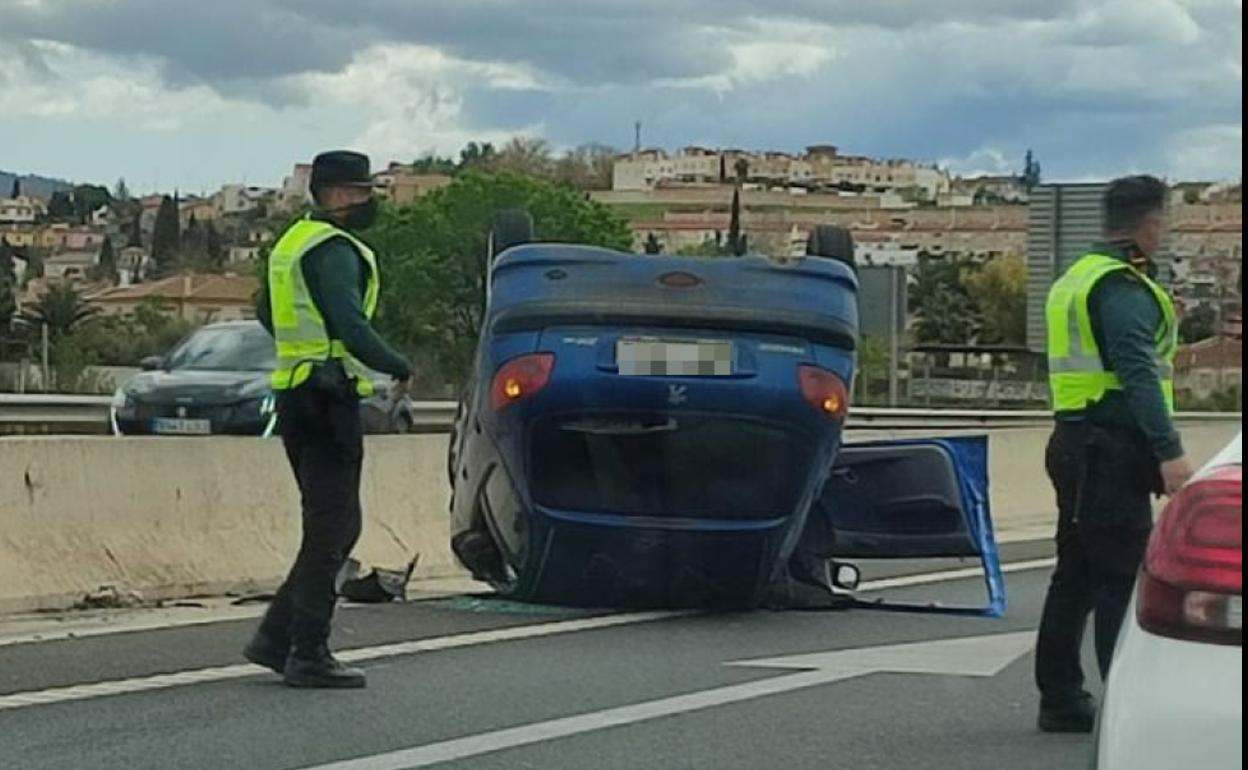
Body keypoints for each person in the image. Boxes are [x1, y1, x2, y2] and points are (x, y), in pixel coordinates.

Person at [245, 150, 412, 689]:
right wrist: (398, 364)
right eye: (362, 193)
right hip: (327, 395)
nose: (368, 203)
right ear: (340, 194)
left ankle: (276, 638)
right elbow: (349, 321)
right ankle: (308, 651)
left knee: (331, 525)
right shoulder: (335, 249)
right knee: (334, 528)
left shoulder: (292, 242)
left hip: (296, 393)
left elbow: (266, 311)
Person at [1035, 175, 1194, 732]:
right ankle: (1124, 710)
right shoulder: (1122, 288)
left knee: (1075, 571)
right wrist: (1169, 450)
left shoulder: (1077, 277)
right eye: (1164, 222)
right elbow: (1138, 375)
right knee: (1118, 579)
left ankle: (1060, 697)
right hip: (1109, 447)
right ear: (1149, 225)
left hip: (1072, 440)